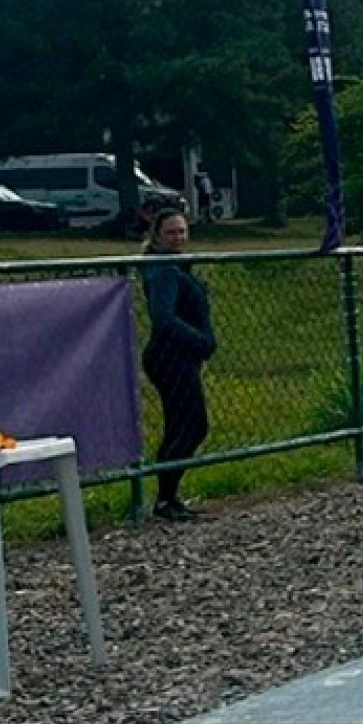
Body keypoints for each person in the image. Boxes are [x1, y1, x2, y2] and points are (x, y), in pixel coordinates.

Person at [139, 204, 215, 521]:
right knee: (194, 425)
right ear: (157, 236)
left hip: (182, 355)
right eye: (171, 232)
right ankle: (165, 496)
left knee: (179, 425)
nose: (178, 237)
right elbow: (164, 318)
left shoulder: (177, 266)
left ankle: (167, 498)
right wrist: (201, 340)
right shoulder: (163, 271)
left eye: (182, 231)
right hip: (170, 356)